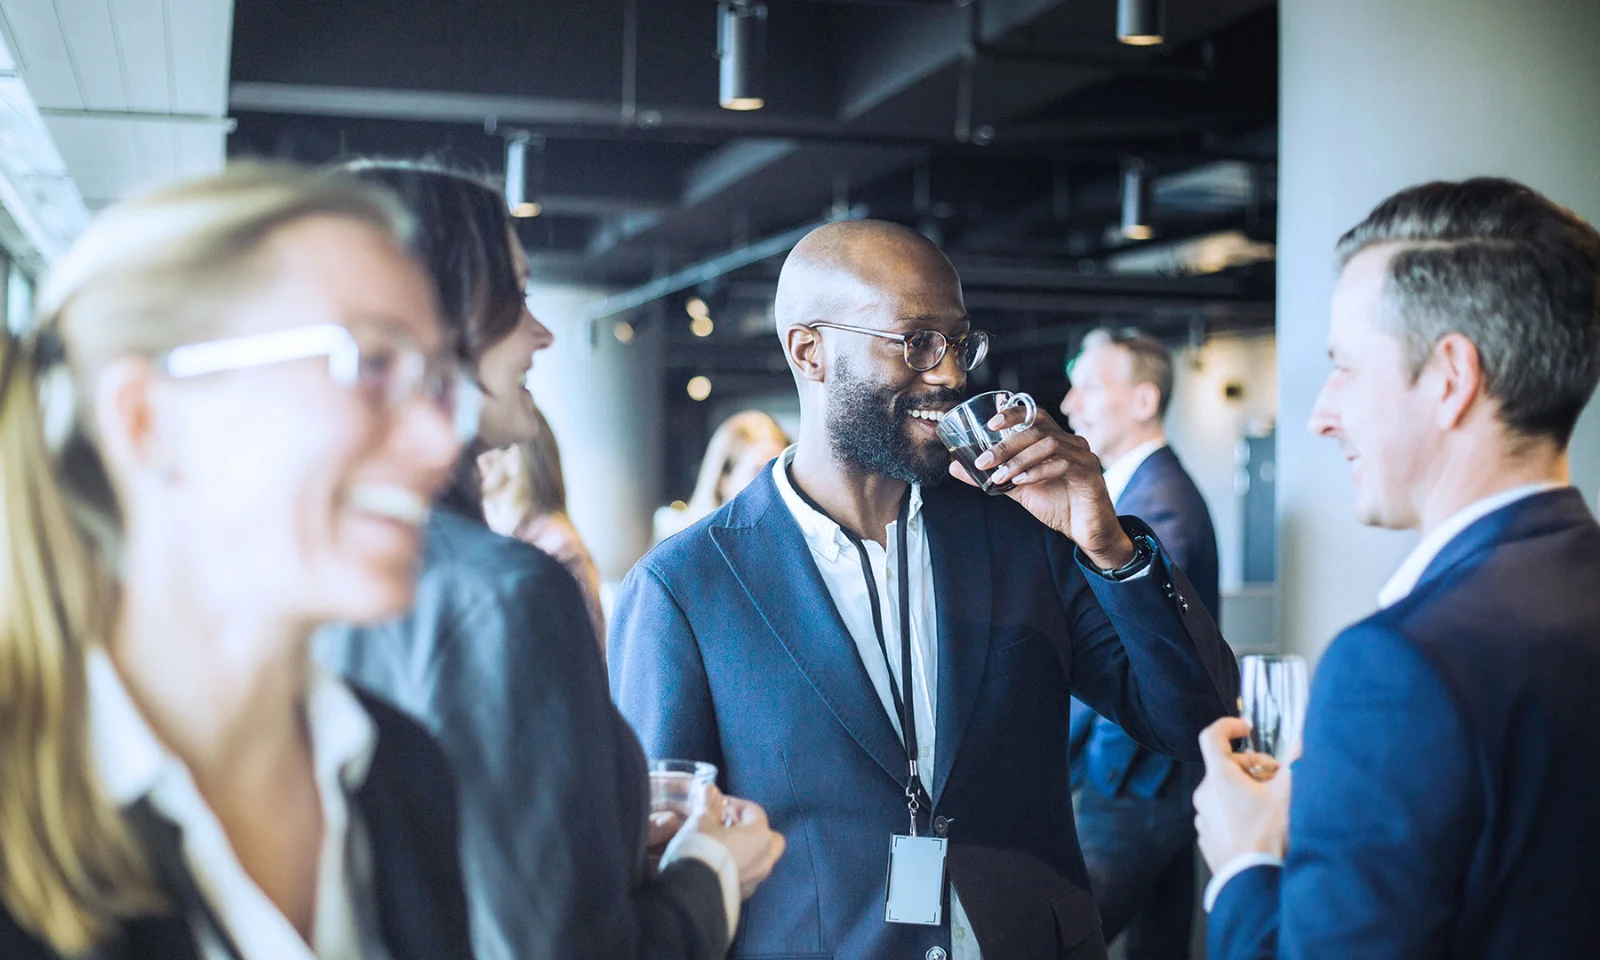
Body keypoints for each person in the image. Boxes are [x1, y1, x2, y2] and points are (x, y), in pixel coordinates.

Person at [612, 219, 1239, 960]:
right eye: (916, 342)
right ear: (809, 351)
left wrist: (1109, 544)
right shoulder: (686, 587)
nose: (948, 375)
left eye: (959, 343)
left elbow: (1195, 716)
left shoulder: (1023, 536)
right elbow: (660, 863)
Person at [0, 165, 475, 958]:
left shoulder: (403, 774)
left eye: (434, 383)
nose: (438, 442)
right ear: (148, 420)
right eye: (370, 364)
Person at [314, 162, 783, 960]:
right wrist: (709, 873)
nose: (543, 334)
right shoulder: (508, 594)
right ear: (438, 313)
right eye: (517, 298)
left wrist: (610, 843)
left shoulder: (307, 562)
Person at [1194, 177, 1600, 959]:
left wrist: (1244, 862)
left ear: (1451, 378)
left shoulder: (1401, 667)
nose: (1321, 415)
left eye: (1345, 367)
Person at [1061, 327, 1220, 959]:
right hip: (1149, 780)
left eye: (1090, 387)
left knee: (1065, 938)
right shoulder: (1134, 491)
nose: (1070, 404)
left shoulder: (1161, 503)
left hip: (1136, 781)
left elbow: (1141, 650)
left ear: (1145, 401)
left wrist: (1084, 768)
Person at [478, 405, 606, 648]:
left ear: (515, 456)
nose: (475, 459)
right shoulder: (516, 536)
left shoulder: (557, 545)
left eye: (485, 446)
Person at [653, 410, 789, 543]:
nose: (772, 482)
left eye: (777, 470)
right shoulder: (680, 543)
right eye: (758, 471)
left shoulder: (781, 539)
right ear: (723, 479)